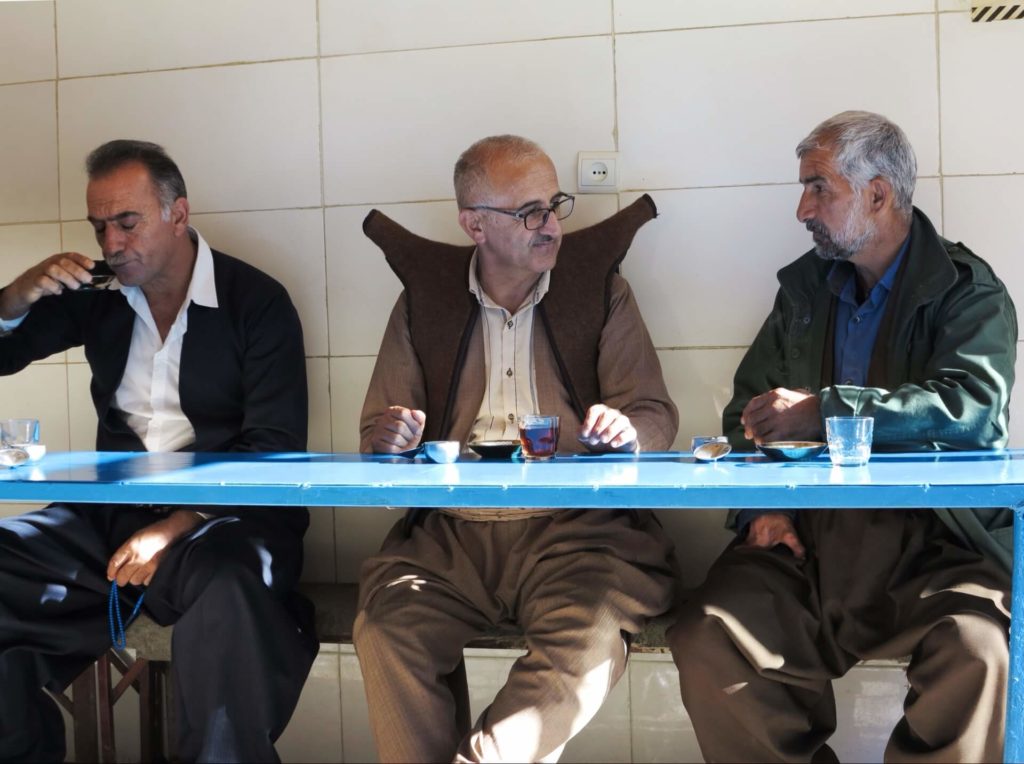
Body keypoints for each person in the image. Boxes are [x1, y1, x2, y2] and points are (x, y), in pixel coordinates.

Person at [669, 111, 1017, 762]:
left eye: (818, 187)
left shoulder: (967, 290)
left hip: (937, 545)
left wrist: (825, 412)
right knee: (707, 634)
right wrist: (760, 508)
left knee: (982, 652)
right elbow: (745, 412)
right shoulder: (804, 291)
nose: (802, 209)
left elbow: (970, 408)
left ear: (878, 194)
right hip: (808, 543)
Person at [353, 134, 678, 763]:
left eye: (554, 205)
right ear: (474, 225)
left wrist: (627, 432)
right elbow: (376, 431)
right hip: (449, 537)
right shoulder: (424, 304)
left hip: (581, 534)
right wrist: (388, 438)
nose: (551, 225)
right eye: (529, 212)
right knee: (387, 627)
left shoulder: (600, 292)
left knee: (586, 639)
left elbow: (654, 413)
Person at [0, 139, 318, 762]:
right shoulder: (98, 297)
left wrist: (174, 526)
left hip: (224, 519)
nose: (111, 243)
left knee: (230, 587)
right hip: (110, 516)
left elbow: (274, 451)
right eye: (99, 227)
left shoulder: (256, 302)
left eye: (127, 222)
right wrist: (15, 295)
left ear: (179, 214)